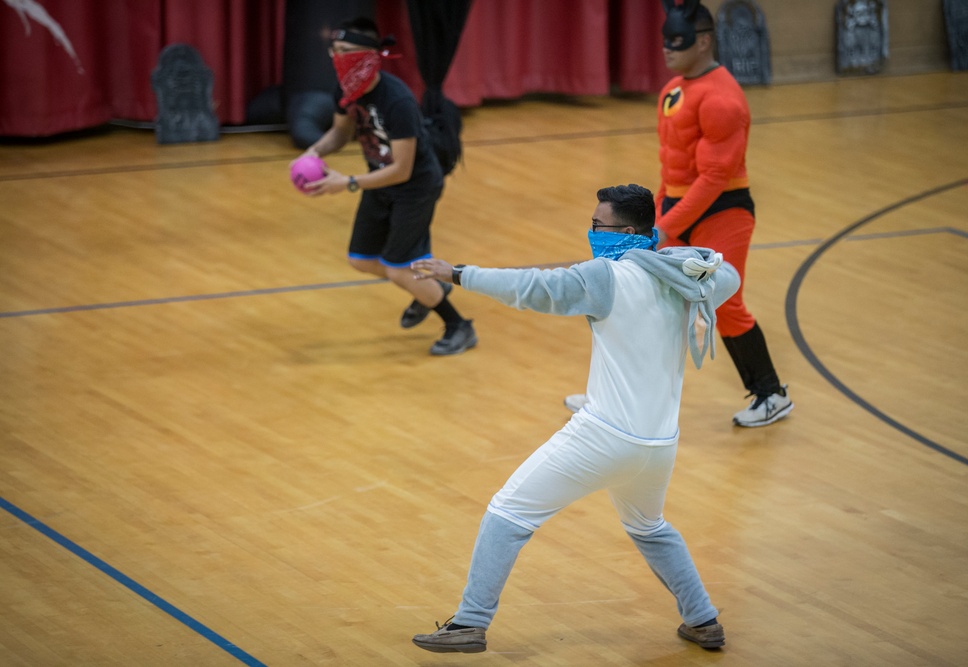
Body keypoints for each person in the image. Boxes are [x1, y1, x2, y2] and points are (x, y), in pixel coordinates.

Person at [409, 184, 739, 653]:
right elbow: (728, 278)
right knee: (650, 528)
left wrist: (459, 274)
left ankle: (469, 623)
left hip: (604, 437)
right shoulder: (682, 278)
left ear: (627, 231)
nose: (591, 233)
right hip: (659, 445)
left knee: (507, 514)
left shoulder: (604, 277)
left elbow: (531, 288)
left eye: (598, 226)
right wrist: (674, 256)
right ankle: (703, 619)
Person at [565, 2, 793, 427]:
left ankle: (770, 394)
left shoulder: (723, 99)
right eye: (665, 42)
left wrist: (665, 227)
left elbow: (712, 179)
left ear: (704, 41)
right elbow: (674, 167)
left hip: (723, 210)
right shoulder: (673, 90)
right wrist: (657, 212)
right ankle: (610, 397)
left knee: (725, 303)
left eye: (679, 43)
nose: (668, 50)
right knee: (635, 296)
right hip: (678, 207)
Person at [293, 17, 476, 356]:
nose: (337, 58)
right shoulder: (345, 90)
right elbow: (340, 132)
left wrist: (346, 183)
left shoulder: (397, 101)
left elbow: (403, 169)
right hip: (380, 182)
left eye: (346, 51)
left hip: (415, 187)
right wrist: (313, 152)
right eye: (334, 51)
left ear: (369, 56)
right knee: (360, 259)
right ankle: (429, 289)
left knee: (397, 266)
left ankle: (458, 326)